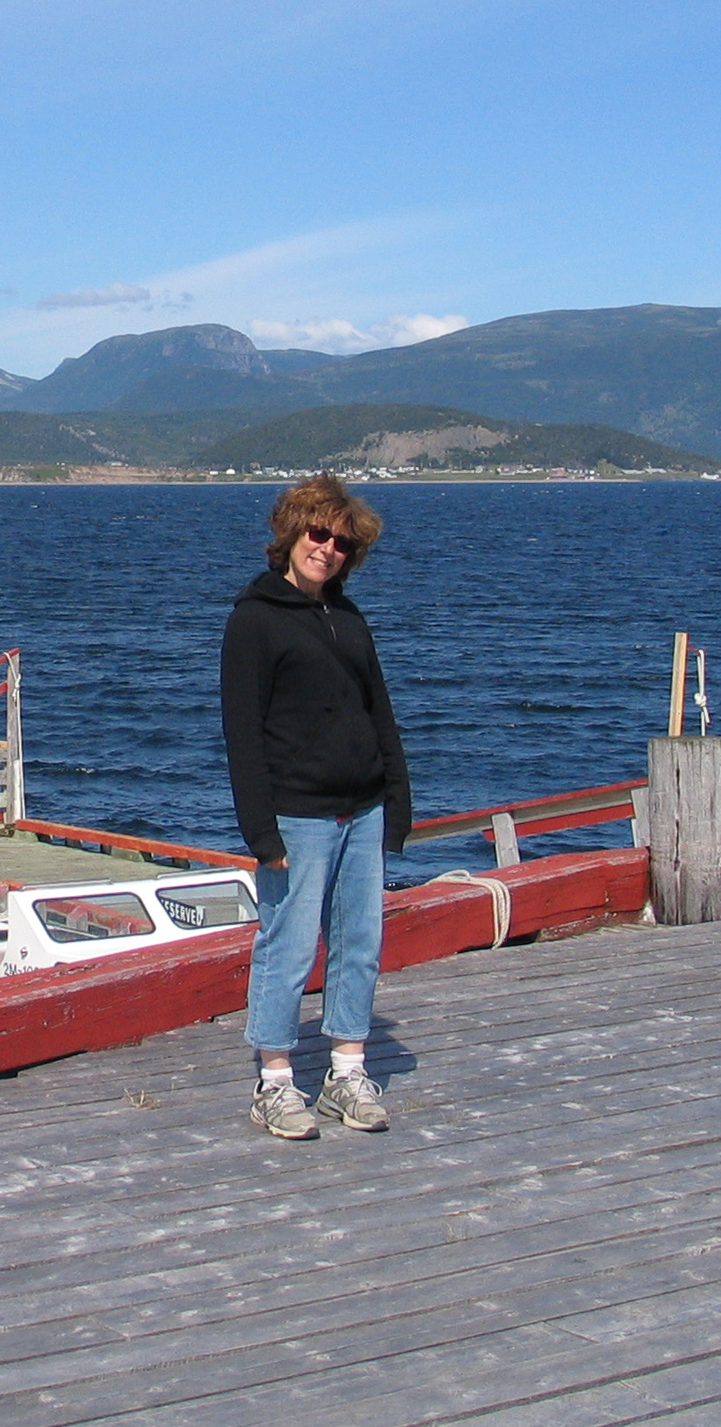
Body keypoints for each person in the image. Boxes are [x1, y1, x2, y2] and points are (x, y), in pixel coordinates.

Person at [220, 472, 411, 1140]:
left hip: (361, 809)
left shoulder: (348, 619)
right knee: (288, 943)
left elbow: (377, 710)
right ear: (291, 531)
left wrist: (396, 796)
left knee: (360, 941)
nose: (326, 547)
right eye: (316, 531)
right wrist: (259, 827)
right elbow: (241, 731)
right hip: (296, 815)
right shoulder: (254, 619)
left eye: (339, 540)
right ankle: (274, 1080)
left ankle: (347, 1070)